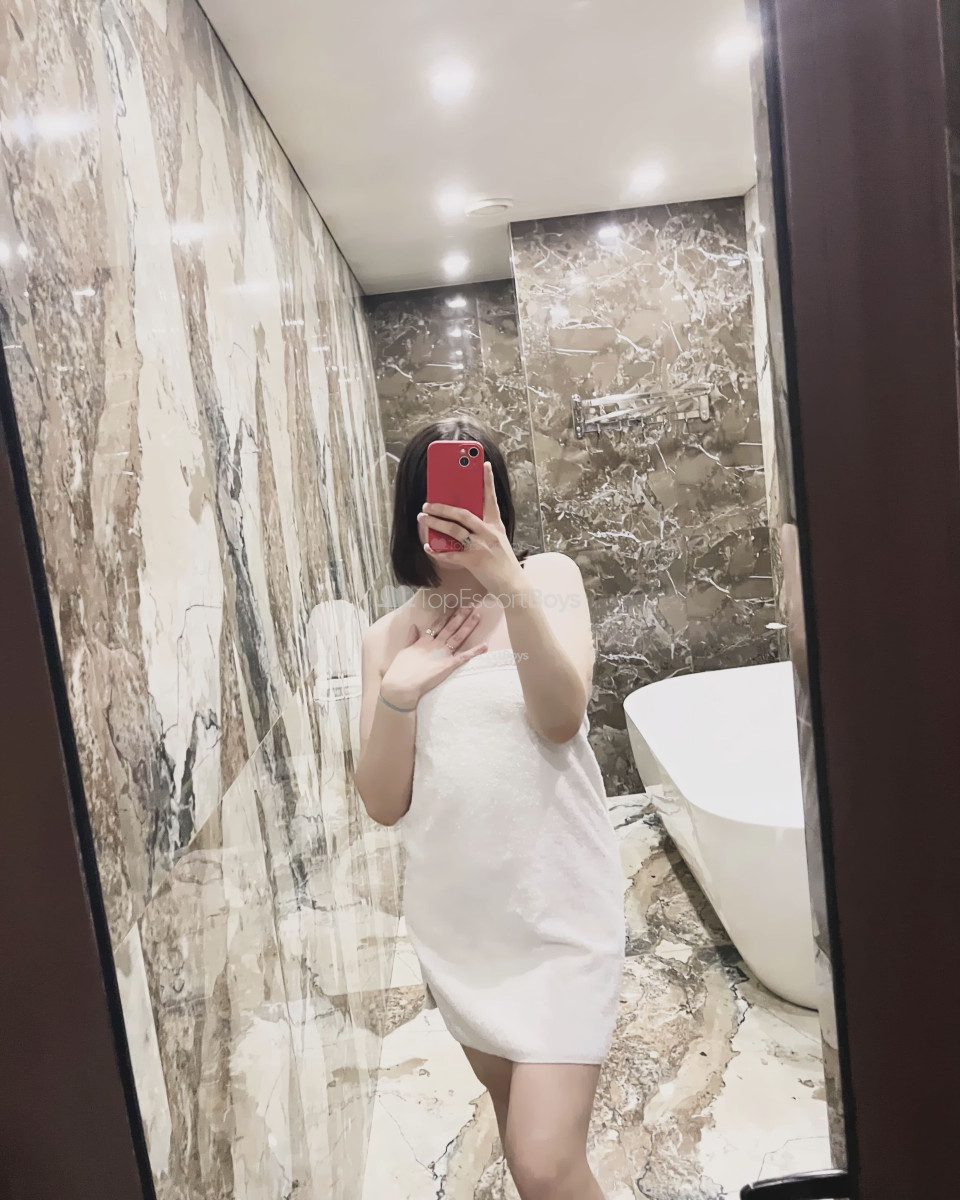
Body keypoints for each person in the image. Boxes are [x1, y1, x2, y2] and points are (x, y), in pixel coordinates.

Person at [355, 415, 625, 1200]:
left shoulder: (550, 581)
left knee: (544, 1161)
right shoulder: (385, 639)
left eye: (474, 493)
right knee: (522, 1139)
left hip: (558, 913)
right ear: (411, 511)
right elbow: (383, 802)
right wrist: (400, 692)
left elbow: (561, 718)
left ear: (497, 499)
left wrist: (510, 584)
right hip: (460, 929)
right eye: (437, 497)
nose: (456, 512)